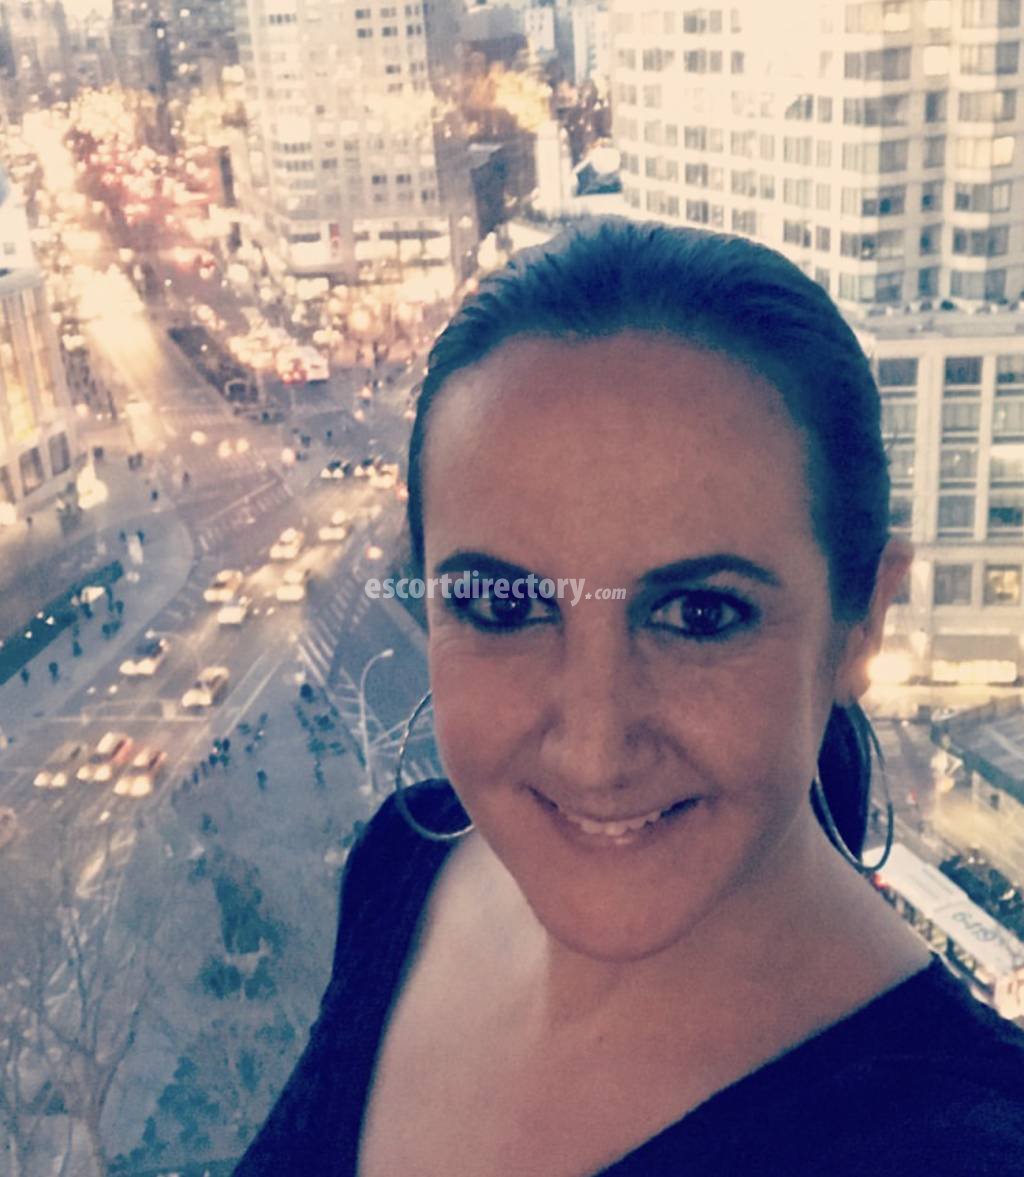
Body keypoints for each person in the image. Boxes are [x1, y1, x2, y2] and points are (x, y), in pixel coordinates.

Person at [235, 220, 1024, 1176]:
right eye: (504, 605)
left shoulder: (964, 1145)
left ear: (862, 625)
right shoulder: (402, 865)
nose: (594, 750)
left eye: (699, 614)